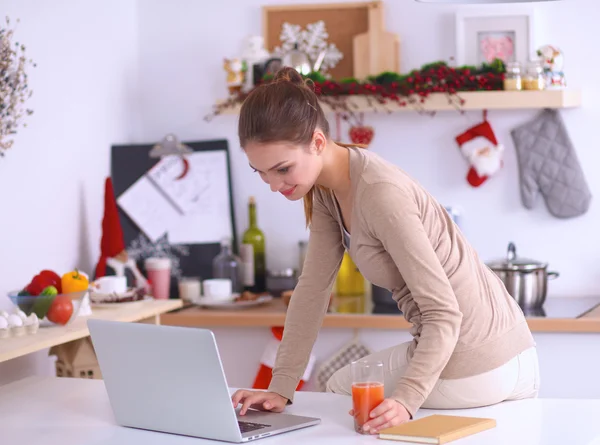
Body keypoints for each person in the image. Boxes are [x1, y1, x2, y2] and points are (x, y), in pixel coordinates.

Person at [231, 67, 540, 434]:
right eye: (260, 172)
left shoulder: (378, 192)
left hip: (474, 358)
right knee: (349, 393)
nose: (272, 185)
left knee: (341, 390)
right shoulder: (329, 189)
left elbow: (444, 313)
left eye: (282, 169)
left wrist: (406, 400)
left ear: (316, 142)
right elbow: (312, 290)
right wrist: (281, 385)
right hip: (512, 353)